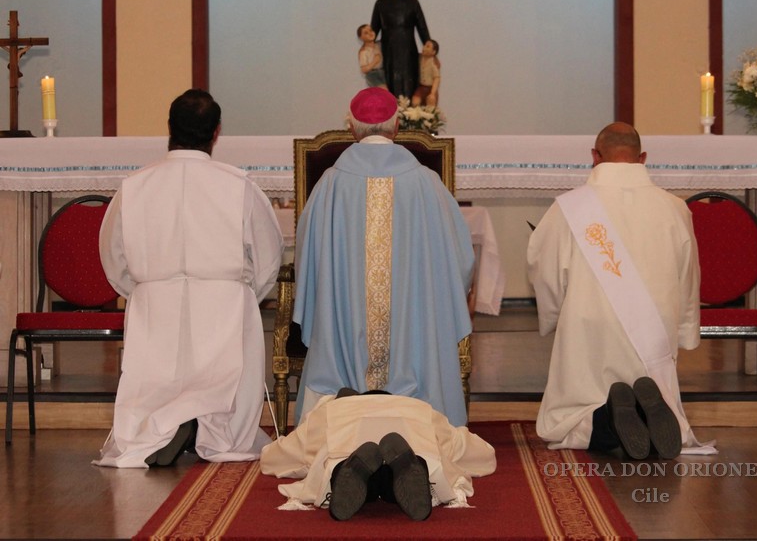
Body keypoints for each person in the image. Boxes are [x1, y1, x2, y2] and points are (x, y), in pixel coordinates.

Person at [93, 89, 284, 468]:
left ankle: (159, 430)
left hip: (155, 307)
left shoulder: (134, 186)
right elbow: (268, 259)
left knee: (156, 381)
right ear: (216, 132)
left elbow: (112, 255)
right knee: (224, 377)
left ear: (169, 128)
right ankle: (215, 432)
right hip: (224, 308)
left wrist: (145, 292)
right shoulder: (238, 184)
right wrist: (244, 296)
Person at [527, 122, 716, 459]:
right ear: (642, 158)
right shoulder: (674, 207)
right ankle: (646, 414)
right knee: (653, 384)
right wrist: (685, 329)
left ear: (594, 157)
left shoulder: (569, 207)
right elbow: (689, 276)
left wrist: (554, 314)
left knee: (574, 417)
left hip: (589, 328)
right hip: (654, 330)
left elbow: (546, 273)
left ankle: (608, 419)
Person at [292, 87, 474, 428]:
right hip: (414, 335)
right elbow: (461, 260)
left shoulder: (330, 185)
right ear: (395, 127)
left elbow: (308, 258)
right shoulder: (426, 183)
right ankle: (417, 428)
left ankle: (344, 425)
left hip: (344, 328)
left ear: (351, 129)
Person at [260, 390, 496, 520]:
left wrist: (294, 440)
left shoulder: (331, 411)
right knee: (409, 467)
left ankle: (349, 469)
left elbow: (274, 459)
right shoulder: (420, 409)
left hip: (346, 445)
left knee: (344, 465)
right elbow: (483, 456)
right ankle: (411, 468)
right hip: (414, 440)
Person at [370, 0, 431, 99]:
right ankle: (392, 117)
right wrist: (368, 49)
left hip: (408, 50)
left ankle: (410, 117)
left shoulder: (412, 2)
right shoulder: (380, 3)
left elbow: (422, 28)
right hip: (388, 51)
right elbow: (373, 31)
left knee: (410, 81)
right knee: (390, 83)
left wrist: (430, 48)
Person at [411, 39, 440, 107]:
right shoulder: (420, 58)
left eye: (428, 46)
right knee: (415, 102)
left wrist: (433, 93)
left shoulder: (433, 63)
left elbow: (436, 78)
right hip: (421, 87)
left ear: (433, 52)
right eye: (424, 45)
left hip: (430, 88)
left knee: (431, 103)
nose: (424, 48)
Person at [356, 24, 387, 89]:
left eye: (371, 30)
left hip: (383, 72)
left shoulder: (379, 45)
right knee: (383, 90)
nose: (370, 33)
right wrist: (374, 62)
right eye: (366, 33)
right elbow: (364, 69)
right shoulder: (364, 51)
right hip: (373, 74)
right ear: (361, 37)